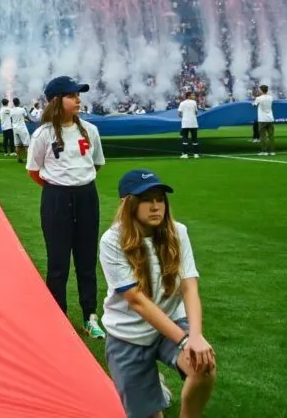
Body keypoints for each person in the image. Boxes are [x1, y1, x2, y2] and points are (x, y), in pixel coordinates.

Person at [99, 169, 216, 418]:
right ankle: (154, 388)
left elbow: (189, 285)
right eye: (146, 199)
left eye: (160, 199)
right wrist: (184, 341)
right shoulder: (111, 241)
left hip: (171, 321)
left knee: (204, 368)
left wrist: (194, 336)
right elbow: (137, 301)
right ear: (127, 204)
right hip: (127, 335)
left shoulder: (177, 231)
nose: (155, 206)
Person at [26, 75, 107, 338]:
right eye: (72, 96)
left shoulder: (90, 131)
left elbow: (95, 164)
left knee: (86, 261)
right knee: (58, 263)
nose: (78, 100)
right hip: (56, 200)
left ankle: (90, 316)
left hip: (87, 197)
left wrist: (78, 185)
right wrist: (59, 189)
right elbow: (34, 171)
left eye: (78, 95)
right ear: (57, 101)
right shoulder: (43, 134)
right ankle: (58, 318)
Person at [253, 85, 275, 156]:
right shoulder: (271, 97)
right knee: (271, 136)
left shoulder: (258, 98)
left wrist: (254, 101)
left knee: (263, 136)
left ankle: (264, 151)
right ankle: (272, 151)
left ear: (261, 90)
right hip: (270, 118)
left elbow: (254, 105)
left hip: (262, 119)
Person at [176, 91, 199, 159]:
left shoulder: (182, 103)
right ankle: (196, 154)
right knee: (194, 139)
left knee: (185, 138)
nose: (193, 96)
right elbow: (196, 112)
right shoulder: (194, 102)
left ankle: (185, 154)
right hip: (193, 123)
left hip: (185, 123)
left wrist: (184, 116)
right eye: (192, 95)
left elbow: (179, 114)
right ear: (188, 96)